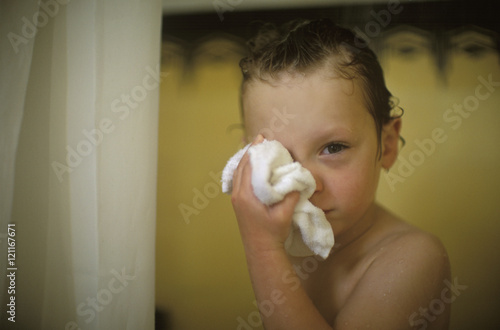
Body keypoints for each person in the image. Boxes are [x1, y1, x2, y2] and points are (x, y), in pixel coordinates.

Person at [229, 18, 451, 329]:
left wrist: (262, 249)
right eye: (280, 157)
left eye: (333, 148)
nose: (306, 183)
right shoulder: (286, 243)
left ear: (386, 146)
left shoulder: (414, 257)